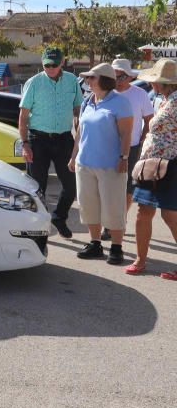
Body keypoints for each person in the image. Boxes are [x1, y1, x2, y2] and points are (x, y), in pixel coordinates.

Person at [68, 63, 133, 264]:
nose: (88, 81)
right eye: (87, 78)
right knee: (89, 206)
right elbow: (80, 132)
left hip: (111, 165)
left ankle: (116, 247)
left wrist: (124, 157)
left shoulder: (120, 102)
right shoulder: (88, 101)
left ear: (104, 80)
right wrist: (73, 156)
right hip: (85, 163)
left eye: (92, 78)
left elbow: (126, 134)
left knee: (113, 207)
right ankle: (95, 243)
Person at [19, 46, 84, 238]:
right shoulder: (34, 83)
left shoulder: (72, 81)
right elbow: (23, 116)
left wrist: (79, 138)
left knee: (71, 186)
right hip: (38, 140)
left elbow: (78, 110)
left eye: (54, 64)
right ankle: (38, 226)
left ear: (62, 63)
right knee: (37, 187)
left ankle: (59, 217)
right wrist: (24, 143)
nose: (50, 68)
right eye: (47, 64)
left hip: (64, 138)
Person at [128, 58, 177, 278]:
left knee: (170, 215)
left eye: (157, 81)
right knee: (143, 212)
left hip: (170, 165)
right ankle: (140, 260)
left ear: (169, 83)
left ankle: (140, 261)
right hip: (152, 165)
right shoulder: (165, 99)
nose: (153, 85)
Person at [112, 58, 155, 215]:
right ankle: (109, 221)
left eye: (121, 76)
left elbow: (149, 119)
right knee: (108, 185)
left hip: (132, 146)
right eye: (114, 76)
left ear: (130, 77)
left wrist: (143, 139)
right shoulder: (105, 94)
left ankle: (121, 219)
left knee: (128, 185)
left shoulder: (140, 94)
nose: (117, 81)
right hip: (107, 146)